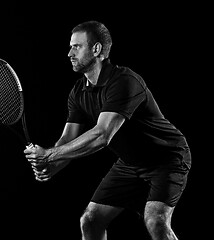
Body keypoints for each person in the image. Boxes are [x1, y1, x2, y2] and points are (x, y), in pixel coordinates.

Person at [24, 20, 191, 240]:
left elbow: (102, 135)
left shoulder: (124, 81)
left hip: (166, 158)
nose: (69, 53)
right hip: (131, 162)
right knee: (90, 220)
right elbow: (68, 138)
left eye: (77, 46)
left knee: (155, 221)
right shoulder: (78, 92)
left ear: (96, 49)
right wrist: (53, 165)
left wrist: (50, 155)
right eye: (70, 46)